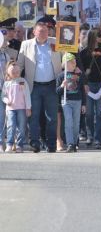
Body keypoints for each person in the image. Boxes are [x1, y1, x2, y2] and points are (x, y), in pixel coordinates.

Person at [17, 16, 63, 153]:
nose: (44, 33)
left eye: (45, 31)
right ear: (34, 32)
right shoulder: (26, 44)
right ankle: (35, 143)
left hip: (52, 85)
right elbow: (20, 64)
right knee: (34, 116)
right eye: (40, 31)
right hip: (33, 86)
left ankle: (51, 144)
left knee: (52, 117)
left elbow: (66, 57)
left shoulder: (56, 42)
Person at [80, 29, 101, 149]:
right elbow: (81, 70)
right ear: (93, 37)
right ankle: (89, 135)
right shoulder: (84, 52)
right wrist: (85, 81)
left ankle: (98, 138)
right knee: (89, 113)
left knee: (99, 114)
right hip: (89, 84)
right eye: (99, 35)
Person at [56, 53, 87, 153]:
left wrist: (84, 104)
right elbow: (57, 92)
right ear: (65, 63)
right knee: (68, 121)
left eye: (75, 62)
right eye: (71, 62)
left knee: (76, 123)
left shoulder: (78, 75)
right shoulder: (61, 76)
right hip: (66, 101)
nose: (74, 64)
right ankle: (70, 143)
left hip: (77, 101)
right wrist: (62, 86)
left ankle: (74, 142)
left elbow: (82, 89)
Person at [2, 61, 31, 153]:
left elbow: (27, 95)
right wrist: (7, 101)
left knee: (22, 127)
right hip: (10, 109)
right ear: (9, 73)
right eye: (13, 73)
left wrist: (28, 108)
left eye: (17, 72)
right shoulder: (7, 83)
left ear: (19, 72)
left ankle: (19, 145)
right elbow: (3, 96)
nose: (15, 74)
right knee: (11, 126)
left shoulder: (23, 81)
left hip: (22, 108)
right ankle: (9, 144)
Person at [0, 32, 18, 151]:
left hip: (3, 89)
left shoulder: (5, 55)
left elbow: (8, 73)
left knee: (2, 117)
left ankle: (1, 142)